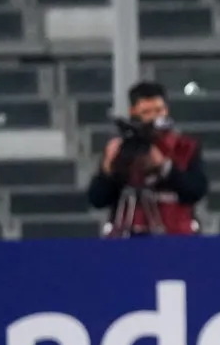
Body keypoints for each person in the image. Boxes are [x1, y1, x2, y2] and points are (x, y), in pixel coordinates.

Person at [87, 81, 208, 237]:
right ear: (133, 112)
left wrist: (165, 167)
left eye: (159, 110)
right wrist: (107, 169)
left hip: (175, 238)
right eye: (146, 112)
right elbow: (97, 199)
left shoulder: (185, 147)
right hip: (128, 239)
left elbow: (196, 190)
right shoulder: (121, 148)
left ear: (167, 110)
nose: (153, 118)